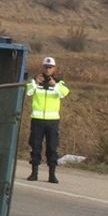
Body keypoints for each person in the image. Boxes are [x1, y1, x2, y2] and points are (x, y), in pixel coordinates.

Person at [25, 55, 70, 183]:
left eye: (50, 67)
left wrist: (54, 85)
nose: (48, 69)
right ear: (42, 68)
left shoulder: (59, 82)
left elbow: (64, 93)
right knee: (35, 146)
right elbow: (28, 92)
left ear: (54, 69)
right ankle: (34, 173)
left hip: (52, 121)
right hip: (37, 119)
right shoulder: (35, 80)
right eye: (46, 67)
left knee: (52, 147)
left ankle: (52, 174)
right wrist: (35, 83)